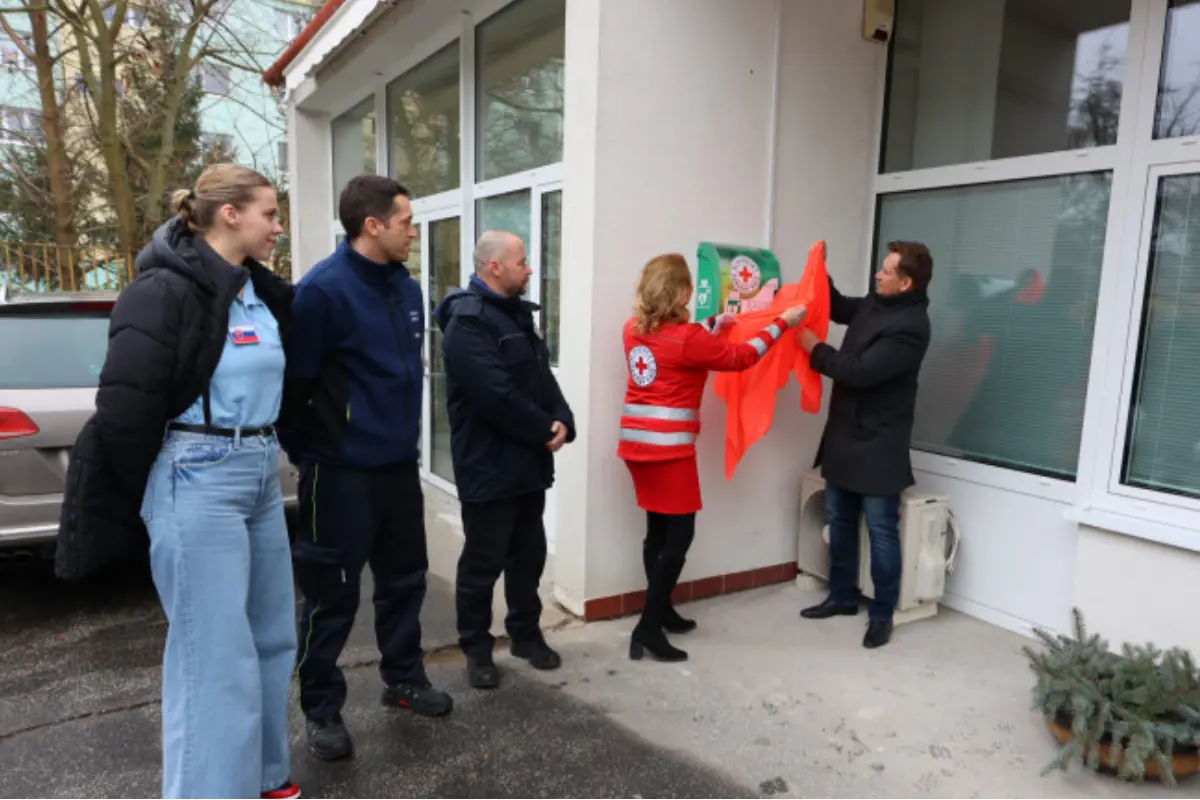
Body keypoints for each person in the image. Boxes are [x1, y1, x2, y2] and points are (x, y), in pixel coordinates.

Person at [57, 164, 300, 799]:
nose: (279, 226)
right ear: (230, 215)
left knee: (272, 637)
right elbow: (125, 410)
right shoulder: (161, 292)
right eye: (270, 214)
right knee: (215, 655)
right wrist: (158, 496)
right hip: (197, 474)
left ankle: (265, 777)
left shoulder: (254, 289)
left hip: (258, 470)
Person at [281, 175, 451, 761]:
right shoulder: (322, 292)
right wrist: (314, 454)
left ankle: (403, 680)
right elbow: (294, 387)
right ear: (372, 225)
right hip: (341, 472)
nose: (414, 229)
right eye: (406, 220)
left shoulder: (406, 291)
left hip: (398, 467)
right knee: (332, 594)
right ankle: (321, 709)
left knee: (405, 581)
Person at [619, 253, 808, 662]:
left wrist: (710, 326)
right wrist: (782, 324)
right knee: (680, 536)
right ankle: (648, 627)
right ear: (683, 292)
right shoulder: (687, 338)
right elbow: (741, 358)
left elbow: (676, 346)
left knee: (657, 532)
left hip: (636, 447)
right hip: (668, 451)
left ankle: (661, 609)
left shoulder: (632, 330)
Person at [435, 230, 576, 690]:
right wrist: (543, 430)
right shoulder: (468, 322)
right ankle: (476, 649)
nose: (530, 268)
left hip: (527, 468)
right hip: (489, 467)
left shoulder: (516, 316)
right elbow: (494, 397)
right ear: (495, 267)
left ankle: (525, 635)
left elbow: (542, 381)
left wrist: (564, 420)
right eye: (522, 261)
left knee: (528, 556)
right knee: (483, 562)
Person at [796, 240, 933, 649]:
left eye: (886, 271)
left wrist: (813, 350)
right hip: (844, 436)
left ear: (905, 283)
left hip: (878, 444)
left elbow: (857, 372)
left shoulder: (910, 327)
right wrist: (818, 269)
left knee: (881, 531)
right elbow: (838, 306)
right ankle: (841, 597)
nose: (878, 275)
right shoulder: (877, 303)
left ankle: (881, 613)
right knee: (838, 519)